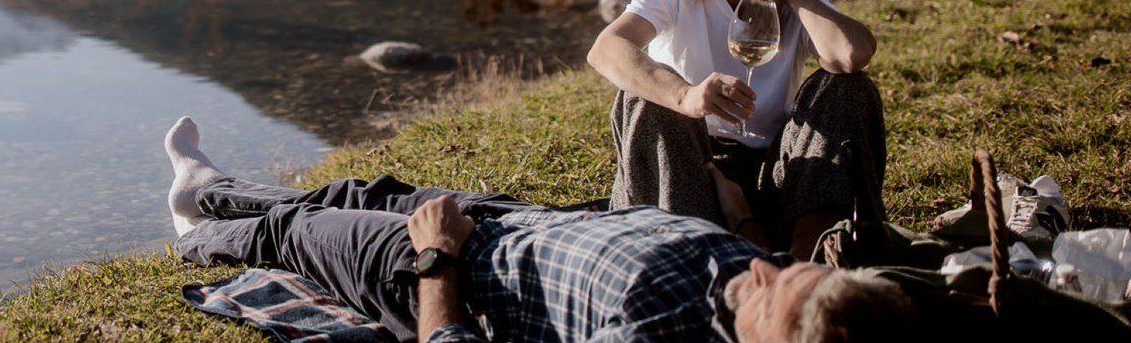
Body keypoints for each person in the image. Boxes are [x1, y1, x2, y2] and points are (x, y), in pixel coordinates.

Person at [164, 117, 912, 343]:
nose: (765, 270)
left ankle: (193, 222)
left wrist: (435, 260)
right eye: (789, 268)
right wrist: (739, 210)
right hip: (514, 222)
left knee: (302, 228)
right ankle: (210, 191)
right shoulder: (779, 286)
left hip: (454, 266)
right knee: (362, 189)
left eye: (770, 295)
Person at [588, 0, 886, 259]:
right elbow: (607, 49)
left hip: (772, 179)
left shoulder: (800, 5)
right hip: (687, 169)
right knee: (646, 97)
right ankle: (697, 258)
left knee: (848, 87)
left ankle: (803, 265)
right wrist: (686, 96)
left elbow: (850, 55)